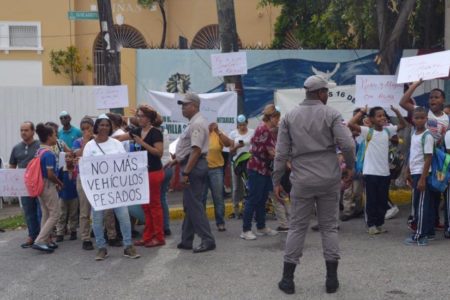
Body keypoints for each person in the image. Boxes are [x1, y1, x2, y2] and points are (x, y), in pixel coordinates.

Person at [273, 75, 355, 295]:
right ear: (320, 93)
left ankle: (288, 280)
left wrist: (276, 180)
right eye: (326, 92)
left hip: (302, 179)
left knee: (298, 227)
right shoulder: (331, 114)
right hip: (329, 178)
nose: (327, 96)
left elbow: (281, 154)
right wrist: (350, 167)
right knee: (329, 227)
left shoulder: (289, 117)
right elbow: (347, 144)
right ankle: (331, 280)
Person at [82, 114, 140, 260]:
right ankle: (101, 248)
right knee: (97, 219)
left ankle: (128, 246)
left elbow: (124, 164)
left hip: (116, 189)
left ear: (110, 127)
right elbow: (86, 167)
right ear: (97, 126)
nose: (104, 127)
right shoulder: (90, 146)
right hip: (99, 190)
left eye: (107, 125)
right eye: (101, 125)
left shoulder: (116, 144)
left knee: (124, 217)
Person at [348, 105, 406, 235]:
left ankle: (379, 224)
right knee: (371, 200)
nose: (383, 117)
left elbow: (403, 124)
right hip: (370, 173)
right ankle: (371, 225)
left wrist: (397, 112)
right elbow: (350, 124)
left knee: (382, 200)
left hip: (384, 173)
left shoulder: (387, 130)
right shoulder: (367, 131)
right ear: (371, 119)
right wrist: (362, 112)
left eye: (384, 115)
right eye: (379, 116)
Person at [170, 92, 216, 253]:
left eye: (185, 105)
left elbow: (196, 151)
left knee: (194, 206)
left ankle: (207, 239)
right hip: (191, 164)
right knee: (190, 204)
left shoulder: (197, 124)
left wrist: (186, 172)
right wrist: (177, 159)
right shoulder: (194, 123)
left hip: (194, 167)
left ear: (195, 106)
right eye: (182, 105)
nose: (183, 108)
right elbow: (190, 148)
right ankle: (186, 239)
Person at [400, 81, 448, 232]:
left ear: (443, 100)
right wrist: (417, 84)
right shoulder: (423, 113)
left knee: (435, 190)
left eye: (436, 97)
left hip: (437, 160)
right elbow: (403, 102)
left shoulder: (447, 118)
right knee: (421, 191)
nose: (433, 99)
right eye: (431, 97)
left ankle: (433, 221)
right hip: (421, 159)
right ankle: (416, 221)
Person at [117, 105, 165, 248]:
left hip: (154, 173)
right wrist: (102, 137)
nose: (139, 118)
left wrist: (142, 143)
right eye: (138, 116)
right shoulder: (137, 131)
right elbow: (120, 137)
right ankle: (148, 235)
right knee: (146, 206)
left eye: (141, 116)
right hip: (142, 174)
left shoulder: (155, 133)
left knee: (155, 206)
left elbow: (159, 152)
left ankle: (159, 237)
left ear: (149, 118)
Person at [73, 117, 121, 250]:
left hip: (101, 180)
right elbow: (79, 157)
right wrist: (85, 142)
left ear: (93, 128)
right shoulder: (78, 142)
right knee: (85, 210)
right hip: (84, 179)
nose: (85, 131)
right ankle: (86, 238)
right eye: (83, 129)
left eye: (88, 128)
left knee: (108, 208)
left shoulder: (100, 141)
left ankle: (111, 235)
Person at [240, 104, 280, 240]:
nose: (278, 121)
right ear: (271, 117)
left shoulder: (268, 130)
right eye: (276, 118)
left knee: (262, 198)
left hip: (264, 168)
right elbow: (271, 152)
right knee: (253, 199)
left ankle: (261, 226)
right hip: (257, 168)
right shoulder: (263, 130)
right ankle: (245, 229)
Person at [404, 107, 434, 246]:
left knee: (421, 205)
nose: (419, 120)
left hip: (422, 174)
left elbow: (428, 158)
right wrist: (408, 170)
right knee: (418, 203)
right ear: (413, 119)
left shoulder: (427, 136)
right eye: (417, 117)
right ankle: (427, 232)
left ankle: (420, 235)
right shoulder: (414, 133)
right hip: (415, 172)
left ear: (426, 119)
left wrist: (423, 178)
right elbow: (413, 153)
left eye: (422, 117)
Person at [31, 124, 63, 253]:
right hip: (48, 185)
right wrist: (59, 182)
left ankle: (45, 239)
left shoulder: (38, 151)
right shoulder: (49, 153)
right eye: (55, 135)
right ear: (49, 137)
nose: (56, 137)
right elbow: (50, 174)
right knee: (55, 214)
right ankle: (40, 240)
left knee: (46, 212)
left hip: (39, 184)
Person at [9, 122, 41, 248]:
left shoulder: (40, 145)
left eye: (26, 130)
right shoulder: (16, 148)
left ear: (33, 132)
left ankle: (44, 236)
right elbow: (12, 166)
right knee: (29, 211)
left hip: (39, 183)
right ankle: (32, 235)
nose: (23, 132)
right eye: (21, 130)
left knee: (41, 210)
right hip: (24, 186)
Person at [202, 122, 232, 232]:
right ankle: (202, 223)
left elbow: (228, 143)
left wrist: (218, 131)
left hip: (216, 169)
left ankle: (220, 222)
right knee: (201, 198)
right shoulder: (200, 133)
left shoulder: (217, 133)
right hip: (202, 170)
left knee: (218, 197)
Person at [228, 115, 255, 219]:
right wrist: (237, 146)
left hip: (248, 163)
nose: (242, 127)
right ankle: (235, 210)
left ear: (247, 123)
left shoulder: (252, 132)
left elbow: (255, 145)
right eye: (240, 125)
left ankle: (245, 208)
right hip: (236, 163)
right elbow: (231, 150)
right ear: (237, 125)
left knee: (247, 186)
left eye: (244, 125)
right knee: (236, 187)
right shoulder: (233, 134)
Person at [55, 152, 79, 242]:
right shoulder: (62, 170)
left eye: (70, 157)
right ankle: (60, 233)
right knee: (62, 215)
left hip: (74, 196)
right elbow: (57, 180)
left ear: (74, 159)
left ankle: (73, 231)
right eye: (66, 157)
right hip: (63, 196)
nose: (68, 158)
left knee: (73, 214)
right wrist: (58, 187)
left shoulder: (76, 170)